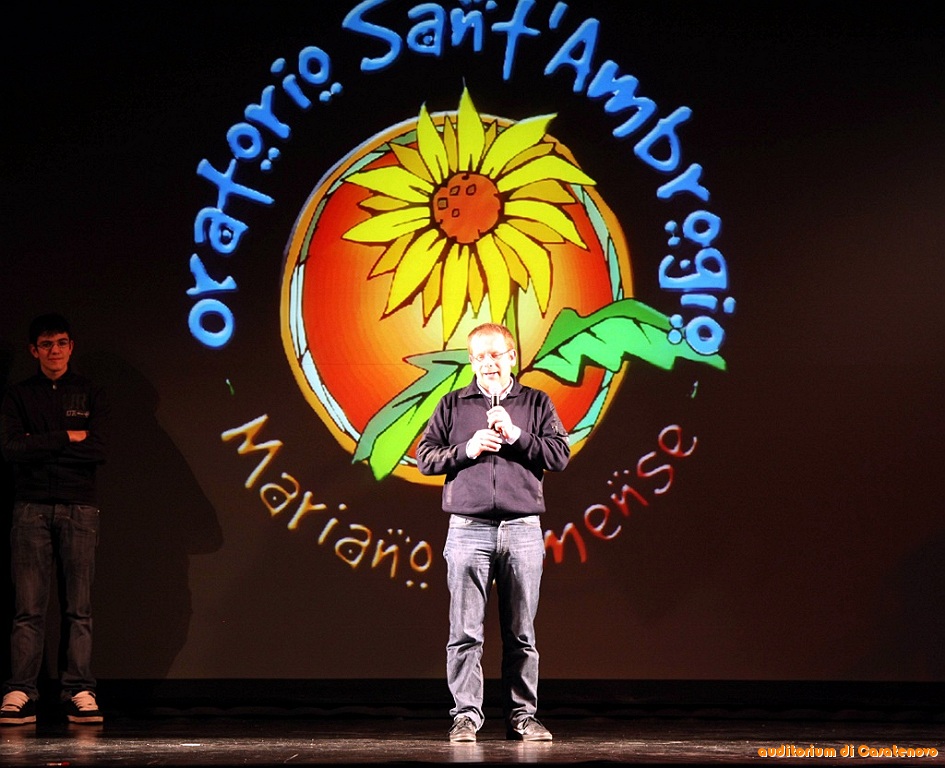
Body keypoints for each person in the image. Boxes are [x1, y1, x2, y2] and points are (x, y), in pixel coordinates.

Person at [416, 322, 570, 743]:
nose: (488, 364)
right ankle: (466, 716)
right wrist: (466, 450)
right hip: (468, 529)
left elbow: (559, 455)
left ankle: (523, 716)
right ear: (471, 362)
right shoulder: (452, 404)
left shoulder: (536, 402)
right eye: (479, 357)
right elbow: (425, 458)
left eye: (496, 355)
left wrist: (517, 435)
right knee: (465, 633)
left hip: (522, 529)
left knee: (521, 634)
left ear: (512, 357)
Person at [0, 313, 108, 726]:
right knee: (28, 608)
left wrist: (38, 443)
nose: (55, 351)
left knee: (78, 607)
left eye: (61, 342)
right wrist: (66, 437)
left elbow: (98, 449)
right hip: (30, 507)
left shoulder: (91, 393)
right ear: (34, 350)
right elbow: (11, 449)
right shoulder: (18, 396)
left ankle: (78, 689)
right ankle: (21, 690)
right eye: (46, 344)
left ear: (71, 346)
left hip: (79, 507)